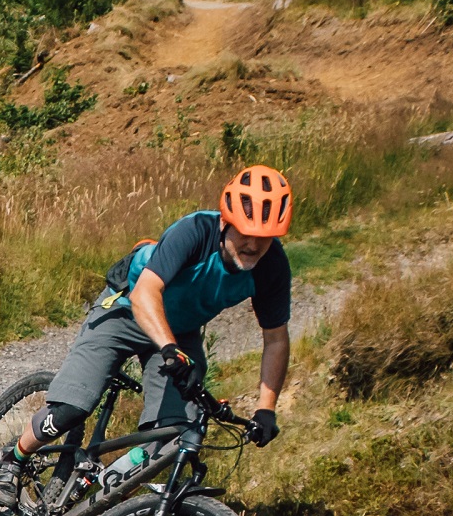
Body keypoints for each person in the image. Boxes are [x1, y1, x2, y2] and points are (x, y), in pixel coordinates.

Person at [37, 163, 297, 462]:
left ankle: (103, 495)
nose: (253, 245)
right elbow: (146, 292)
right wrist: (169, 349)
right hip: (126, 311)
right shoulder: (195, 231)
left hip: (179, 332)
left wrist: (266, 409)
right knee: (71, 409)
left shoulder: (272, 265)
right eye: (245, 233)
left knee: (175, 436)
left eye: (265, 237)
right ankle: (12, 459)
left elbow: (276, 338)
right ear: (226, 223)